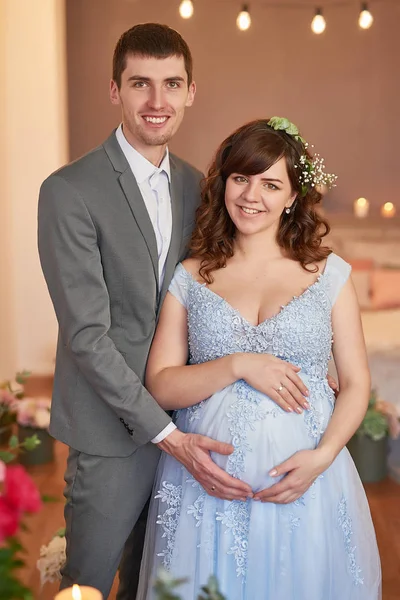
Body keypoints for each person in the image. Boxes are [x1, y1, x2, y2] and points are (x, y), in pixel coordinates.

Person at [38, 23, 263, 599]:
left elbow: (231, 292)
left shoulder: (201, 187)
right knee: (85, 585)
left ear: (192, 91)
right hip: (112, 434)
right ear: (115, 90)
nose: (157, 102)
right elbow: (87, 335)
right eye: (141, 84)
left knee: (159, 584)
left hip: (191, 424)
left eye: (172, 84)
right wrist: (165, 433)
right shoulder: (69, 191)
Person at [136, 117, 382, 599]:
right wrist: (239, 364)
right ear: (224, 182)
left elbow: (355, 383)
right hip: (204, 485)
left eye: (271, 184)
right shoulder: (191, 276)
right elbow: (161, 383)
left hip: (306, 480)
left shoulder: (329, 275)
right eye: (241, 178)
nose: (252, 196)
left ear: (292, 197)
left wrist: (322, 457)